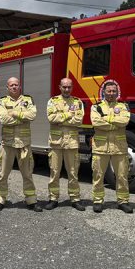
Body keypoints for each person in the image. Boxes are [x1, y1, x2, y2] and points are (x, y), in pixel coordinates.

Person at [0, 77, 42, 212]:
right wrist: (22, 117)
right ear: (7, 88)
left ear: (20, 86)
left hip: (24, 144)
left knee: (27, 174)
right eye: (11, 85)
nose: (14, 87)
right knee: (3, 174)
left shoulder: (28, 100)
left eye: (16, 85)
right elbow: (3, 119)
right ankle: (0, 199)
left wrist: (14, 113)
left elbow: (32, 115)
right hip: (7, 144)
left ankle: (31, 200)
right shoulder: (2, 101)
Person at [90, 80, 133, 214]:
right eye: (108, 91)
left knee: (122, 175)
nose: (111, 93)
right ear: (104, 92)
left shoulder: (123, 106)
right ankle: (97, 201)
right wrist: (115, 121)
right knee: (98, 175)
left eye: (114, 91)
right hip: (100, 147)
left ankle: (123, 201)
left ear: (117, 92)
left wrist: (106, 120)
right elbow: (96, 122)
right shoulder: (96, 107)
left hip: (119, 147)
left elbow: (125, 121)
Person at [44, 78, 85, 211]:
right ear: (59, 87)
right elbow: (51, 118)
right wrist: (69, 115)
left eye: (69, 87)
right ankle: (53, 198)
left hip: (71, 143)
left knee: (73, 172)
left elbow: (79, 120)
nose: (67, 89)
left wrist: (61, 118)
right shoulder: (52, 101)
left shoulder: (77, 102)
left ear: (72, 87)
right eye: (64, 87)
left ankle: (75, 198)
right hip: (56, 143)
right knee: (54, 172)